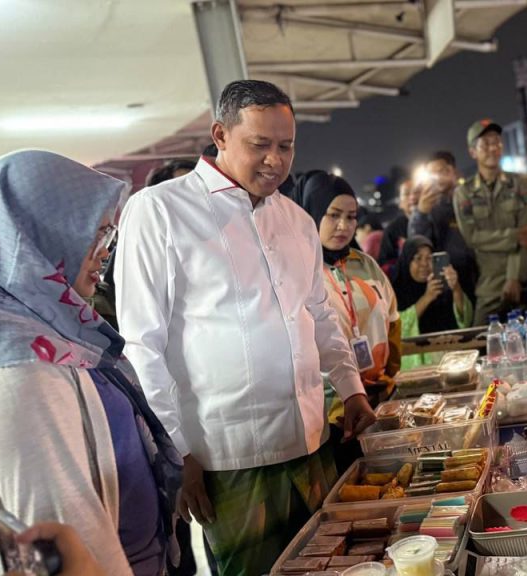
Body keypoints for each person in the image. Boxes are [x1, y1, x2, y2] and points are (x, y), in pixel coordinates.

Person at [115, 80, 375, 576]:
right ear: (220, 134)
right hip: (228, 457)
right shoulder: (161, 212)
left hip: (310, 439)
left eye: (285, 146)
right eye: (260, 145)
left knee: (335, 565)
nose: (275, 160)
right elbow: (142, 344)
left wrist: (352, 390)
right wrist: (176, 452)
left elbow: (317, 314)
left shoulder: (297, 220)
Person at [0, 150, 182, 576]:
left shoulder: (50, 328)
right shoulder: (7, 357)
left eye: (108, 236)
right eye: (92, 235)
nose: (103, 254)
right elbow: (62, 531)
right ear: (34, 234)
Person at [291, 170, 402, 472]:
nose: (344, 226)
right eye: (333, 215)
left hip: (380, 400)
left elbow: (392, 318)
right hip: (329, 417)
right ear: (310, 212)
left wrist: (387, 378)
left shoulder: (364, 263)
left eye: (351, 217)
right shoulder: (296, 271)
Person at [454, 119, 527, 321]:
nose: (493, 148)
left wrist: (513, 277)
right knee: (483, 341)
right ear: (473, 152)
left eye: (497, 142)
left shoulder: (522, 184)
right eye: (485, 144)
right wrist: (513, 235)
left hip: (526, 279)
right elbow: (472, 237)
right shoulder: (464, 192)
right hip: (489, 284)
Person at [392, 236, 474, 370]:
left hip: (449, 360)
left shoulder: (442, 286)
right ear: (407, 261)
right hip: (414, 364)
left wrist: (456, 288)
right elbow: (398, 328)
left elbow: (465, 319)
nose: (424, 264)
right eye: (418, 258)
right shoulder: (395, 292)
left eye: (430, 258)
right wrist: (427, 298)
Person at [409, 151, 477, 300]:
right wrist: (421, 212)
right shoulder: (425, 206)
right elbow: (416, 243)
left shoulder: (471, 198)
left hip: (478, 274)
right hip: (445, 281)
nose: (438, 178)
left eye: (443, 171)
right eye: (432, 173)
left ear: (455, 172)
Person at [379, 179, 418, 267]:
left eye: (417, 192)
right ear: (400, 203)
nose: (413, 197)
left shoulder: (435, 222)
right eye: (407, 194)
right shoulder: (392, 229)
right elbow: (385, 265)